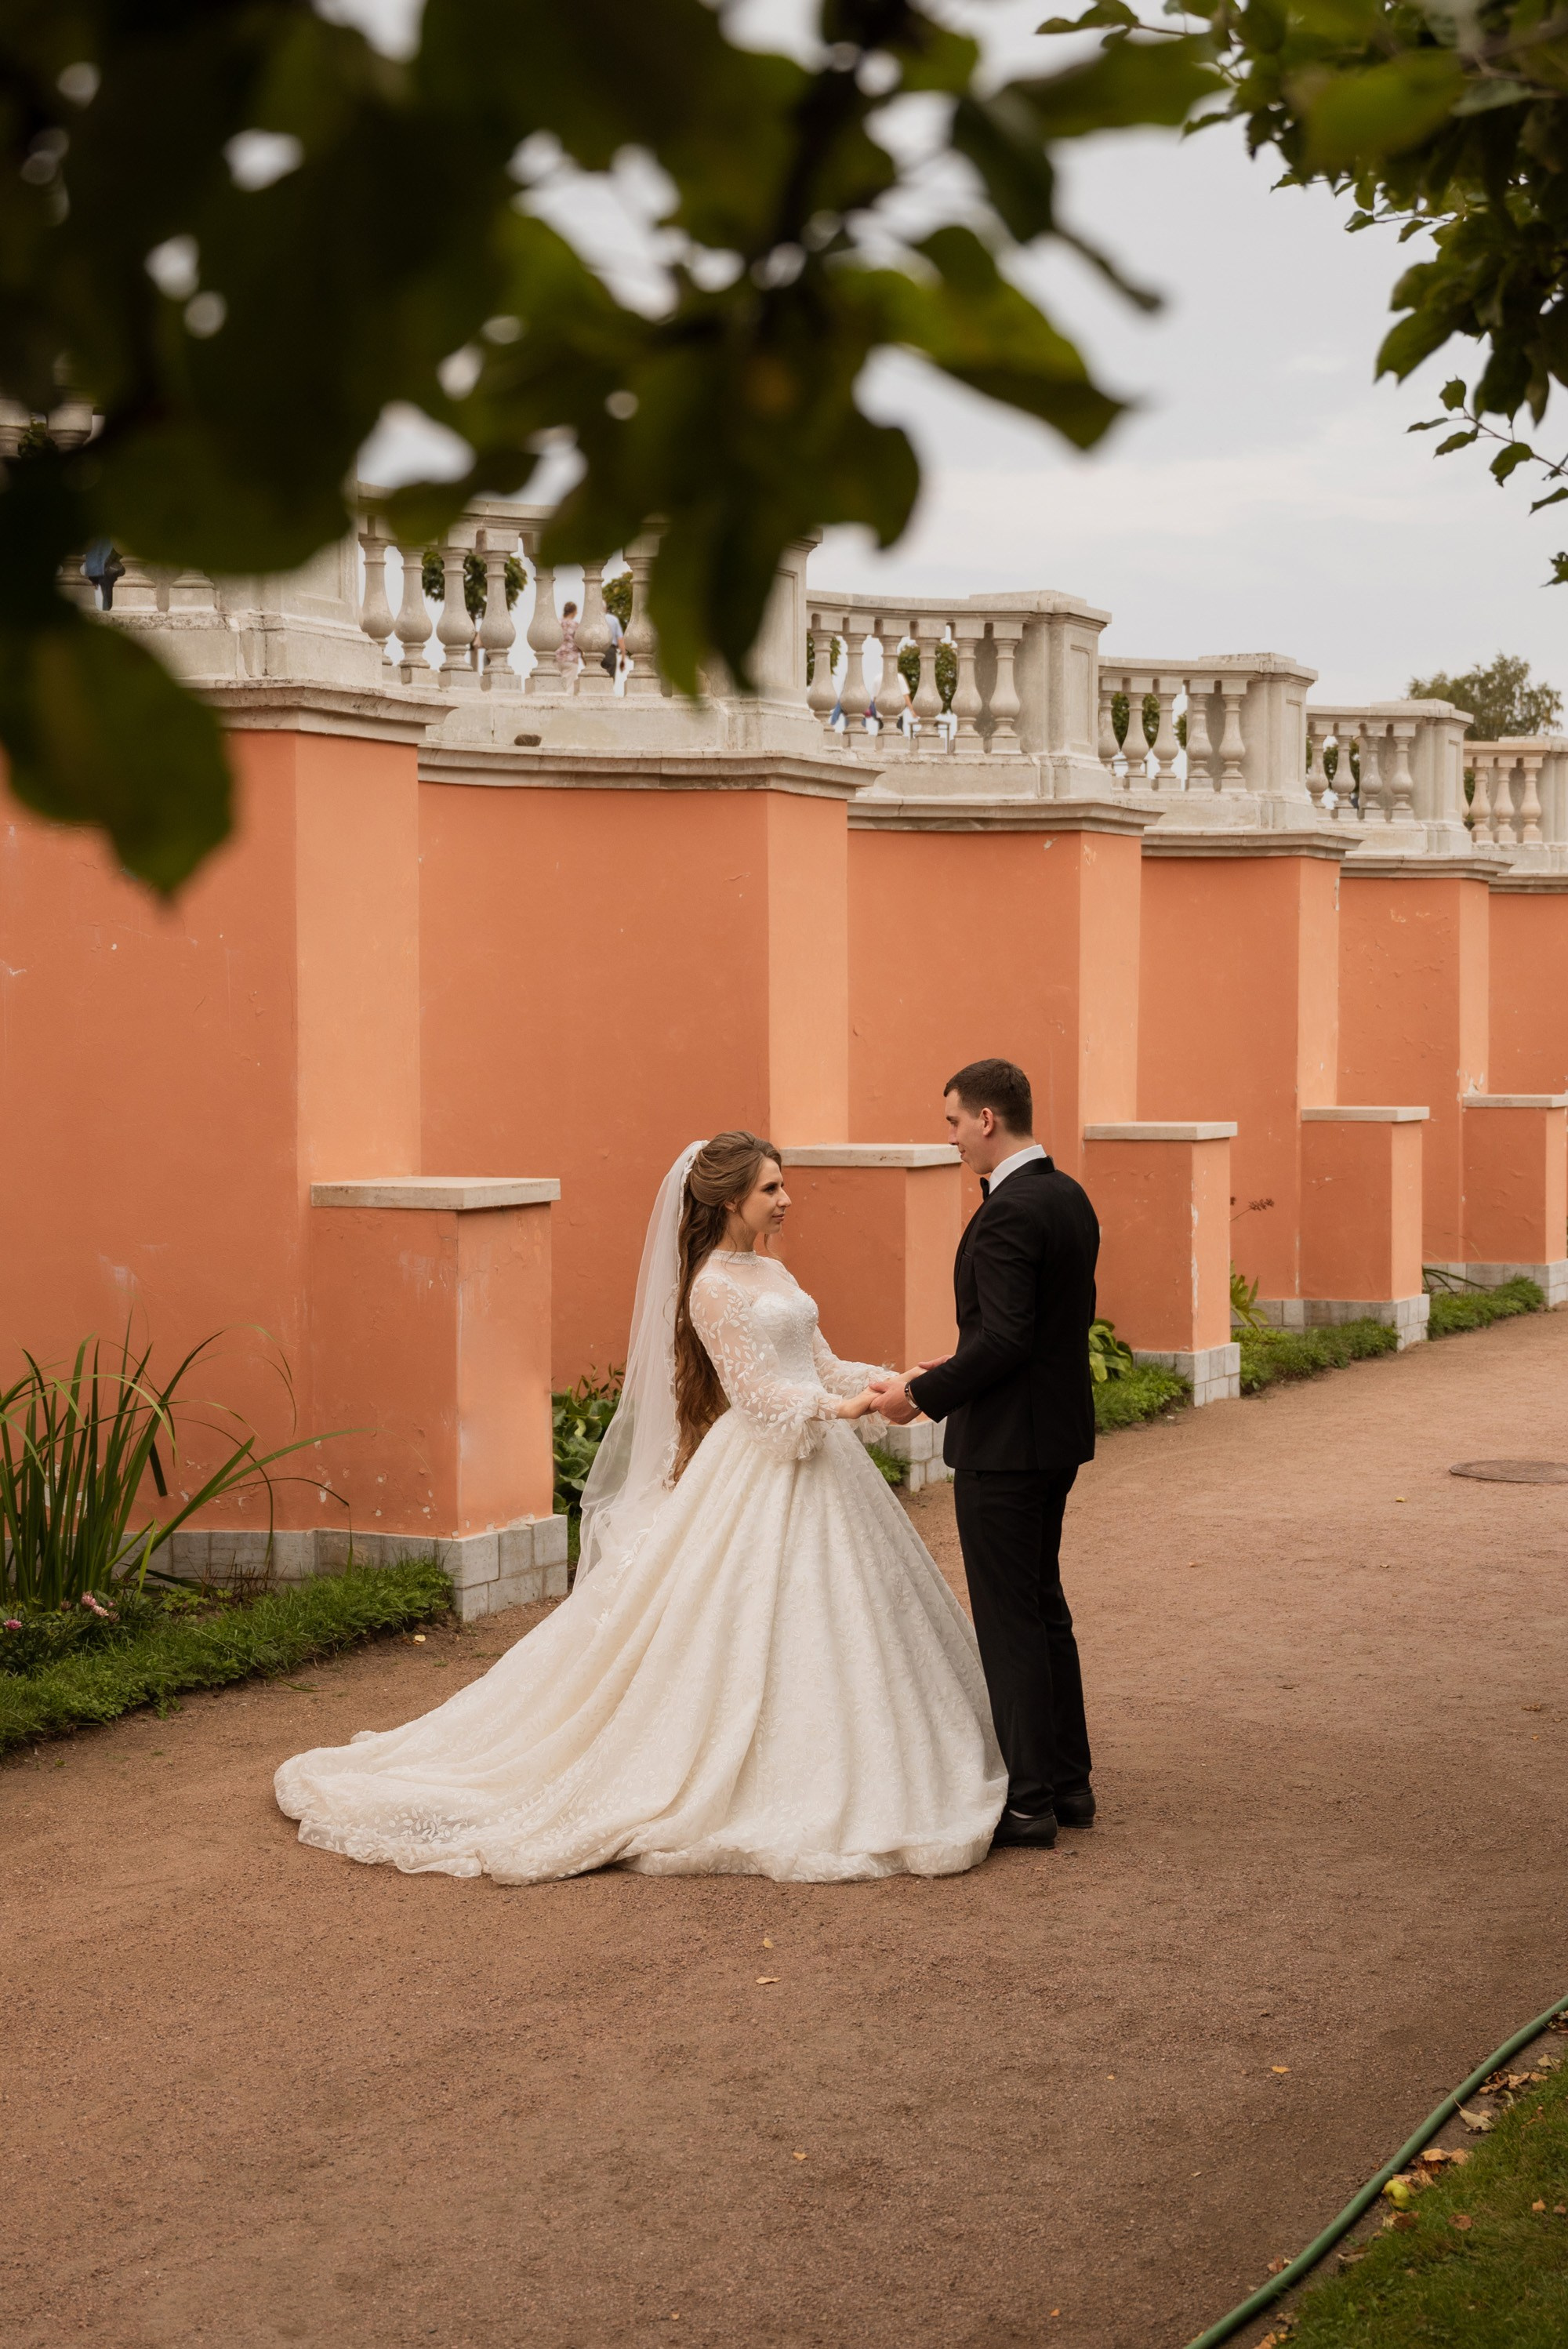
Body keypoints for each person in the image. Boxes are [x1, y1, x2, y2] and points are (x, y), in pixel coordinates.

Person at [275, 1133, 1005, 1884]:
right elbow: (758, 1398)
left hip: (822, 1462)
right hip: (760, 1465)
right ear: (729, 1200)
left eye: (783, 1187)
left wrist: (899, 1381)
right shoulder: (713, 1287)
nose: (786, 1200)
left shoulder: (775, 1270)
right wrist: (845, 1407)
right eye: (771, 1190)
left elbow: (818, 1362)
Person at [873, 1059, 1099, 1852]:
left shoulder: (1008, 1212)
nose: (949, 1137)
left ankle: (1027, 1801)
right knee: (1042, 1607)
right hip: (1054, 1433)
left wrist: (920, 1395)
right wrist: (952, 1364)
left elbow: (1005, 1337)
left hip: (1005, 1444)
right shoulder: (1067, 1196)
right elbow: (1029, 1332)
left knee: (1009, 1620)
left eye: (951, 1122)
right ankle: (1069, 1784)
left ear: (986, 1121)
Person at [555, 597, 582, 676]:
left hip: (556, 658)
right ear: (574, 612)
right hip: (571, 659)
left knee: (556, 686)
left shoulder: (557, 623)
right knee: (569, 687)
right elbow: (579, 642)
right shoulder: (575, 625)